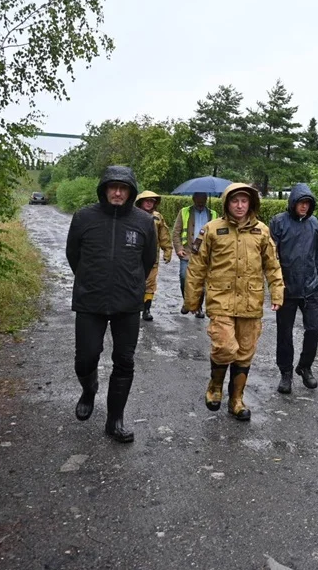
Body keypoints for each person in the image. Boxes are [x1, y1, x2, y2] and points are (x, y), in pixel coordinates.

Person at [65, 166, 157, 442]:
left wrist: (130, 284)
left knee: (124, 361)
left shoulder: (143, 222)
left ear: (131, 192)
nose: (117, 192)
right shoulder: (84, 218)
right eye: (112, 186)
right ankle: (89, 388)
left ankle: (114, 420)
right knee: (85, 357)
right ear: (104, 189)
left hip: (127, 303)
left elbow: (148, 259)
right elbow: (73, 256)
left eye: (123, 187)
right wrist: (91, 280)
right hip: (90, 300)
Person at [183, 183, 284, 421]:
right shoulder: (211, 229)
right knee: (226, 347)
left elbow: (272, 265)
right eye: (234, 201)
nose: (239, 206)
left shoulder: (262, 231)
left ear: (251, 204)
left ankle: (236, 400)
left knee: (244, 353)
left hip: (251, 302)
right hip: (221, 300)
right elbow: (197, 267)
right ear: (227, 203)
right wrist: (192, 299)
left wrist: (277, 292)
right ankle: (215, 386)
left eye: (244, 201)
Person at [268, 183, 318, 394]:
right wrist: (274, 281)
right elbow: (270, 253)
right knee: (284, 333)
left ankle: (305, 366)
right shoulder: (278, 222)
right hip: (286, 288)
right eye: (301, 202)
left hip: (310, 287)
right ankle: (285, 373)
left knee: (314, 327)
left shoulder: (314, 225)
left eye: (308, 203)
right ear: (293, 202)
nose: (304, 207)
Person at [172, 191, 218, 318]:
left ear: (206, 198)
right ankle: (187, 302)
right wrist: (178, 248)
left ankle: (198, 306)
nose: (200, 202)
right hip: (187, 252)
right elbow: (176, 232)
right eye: (198, 199)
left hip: (205, 254)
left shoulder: (213, 214)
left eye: (203, 199)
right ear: (193, 199)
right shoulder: (184, 212)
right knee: (184, 278)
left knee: (201, 282)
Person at [134, 190, 173, 321]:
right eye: (147, 200)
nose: (149, 203)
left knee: (150, 284)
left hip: (152, 257)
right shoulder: (132, 215)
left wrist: (167, 250)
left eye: (152, 201)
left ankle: (146, 310)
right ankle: (132, 308)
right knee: (133, 282)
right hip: (134, 256)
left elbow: (164, 235)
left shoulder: (158, 217)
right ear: (141, 202)